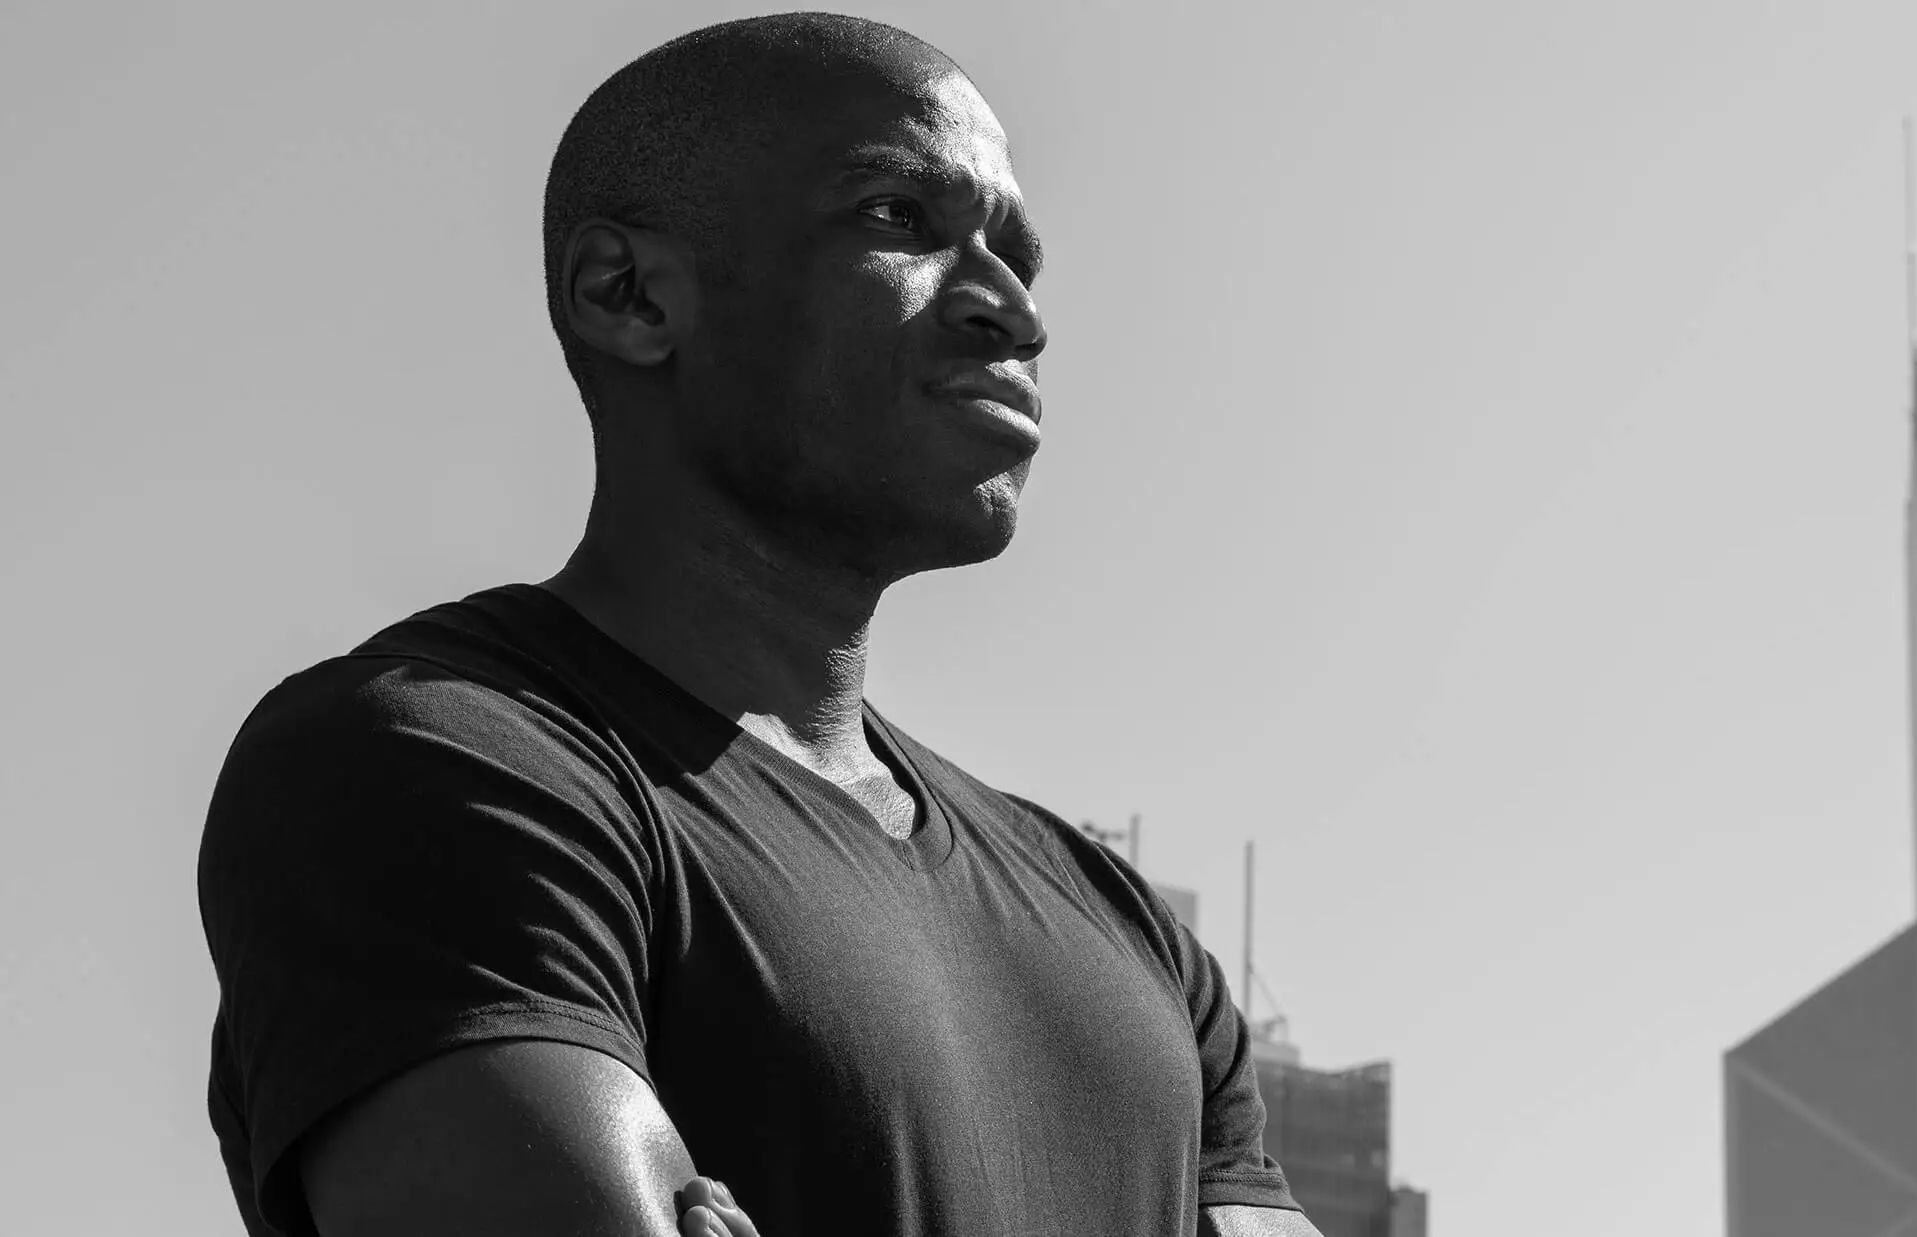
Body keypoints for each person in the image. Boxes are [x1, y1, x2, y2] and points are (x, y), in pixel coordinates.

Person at [196, 13, 1318, 1237]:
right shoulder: (430, 763)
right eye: (899, 217)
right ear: (629, 294)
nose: (1012, 312)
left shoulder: (1134, 940)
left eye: (1017, 257)